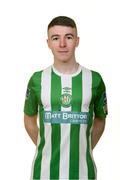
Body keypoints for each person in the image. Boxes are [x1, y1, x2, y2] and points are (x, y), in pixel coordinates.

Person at [24, 16, 108, 180]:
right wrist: (48, 145)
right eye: (56, 38)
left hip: (83, 173)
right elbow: (29, 119)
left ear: (77, 41)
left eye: (68, 37)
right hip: (44, 173)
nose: (62, 44)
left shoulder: (94, 80)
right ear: (48, 42)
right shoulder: (37, 80)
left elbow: (100, 120)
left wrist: (83, 148)